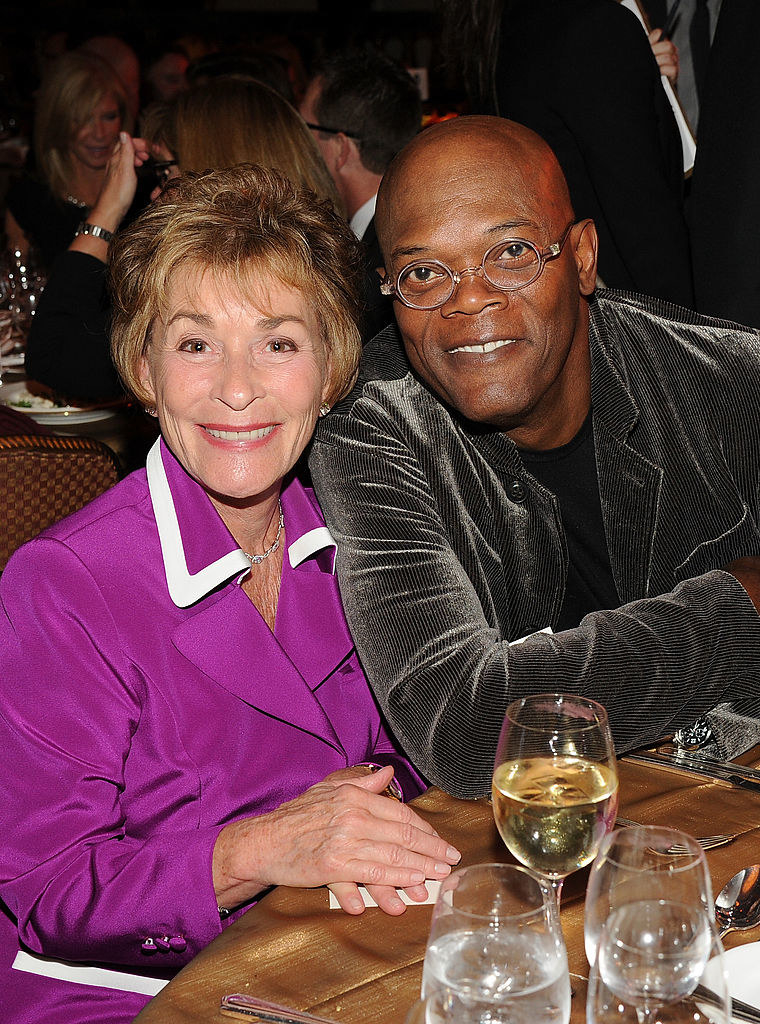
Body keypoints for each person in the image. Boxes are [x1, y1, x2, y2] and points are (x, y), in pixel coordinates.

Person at [0, 164, 458, 1024]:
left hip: (326, 945)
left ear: (331, 370)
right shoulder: (64, 583)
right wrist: (263, 848)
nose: (237, 389)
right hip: (126, 994)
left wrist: (360, 823)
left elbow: (419, 746)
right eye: (196, 343)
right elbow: (50, 888)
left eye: (280, 342)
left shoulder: (362, 533)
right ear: (143, 368)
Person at [309, 115, 760, 800]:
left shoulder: (729, 383)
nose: (469, 301)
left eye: (511, 252)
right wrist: (742, 606)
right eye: (424, 272)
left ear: (581, 257)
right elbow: (463, 730)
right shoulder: (371, 428)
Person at [25, 77, 342, 400]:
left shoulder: (198, 286)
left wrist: (108, 209)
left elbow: (52, 355)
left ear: (212, 169)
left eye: (166, 174)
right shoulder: (326, 264)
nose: (154, 195)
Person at [440, 0, 693, 306]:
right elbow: (643, 219)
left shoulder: (499, 29)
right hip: (623, 310)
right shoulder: (593, 26)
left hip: (554, 298)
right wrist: (686, 338)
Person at [299, 49, 422, 340]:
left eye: (304, 130)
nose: (297, 143)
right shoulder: (410, 227)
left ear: (340, 149)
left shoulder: (375, 265)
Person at [4, 50, 135, 270]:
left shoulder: (146, 197)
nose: (100, 133)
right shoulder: (28, 201)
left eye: (109, 116)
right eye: (83, 120)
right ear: (58, 122)